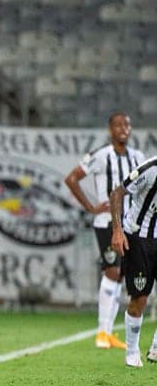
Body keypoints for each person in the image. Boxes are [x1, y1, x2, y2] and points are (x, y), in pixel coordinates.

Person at [65, 112, 144, 349]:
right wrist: (91, 207)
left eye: (127, 124)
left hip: (130, 223)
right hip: (106, 223)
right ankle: (101, 332)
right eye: (118, 125)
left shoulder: (138, 157)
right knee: (111, 272)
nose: (123, 128)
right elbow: (71, 178)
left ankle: (107, 333)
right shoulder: (101, 156)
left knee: (120, 275)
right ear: (110, 129)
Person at [110, 156, 157, 367]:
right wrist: (117, 231)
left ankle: (156, 348)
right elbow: (117, 193)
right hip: (138, 238)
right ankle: (131, 351)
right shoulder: (151, 169)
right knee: (140, 299)